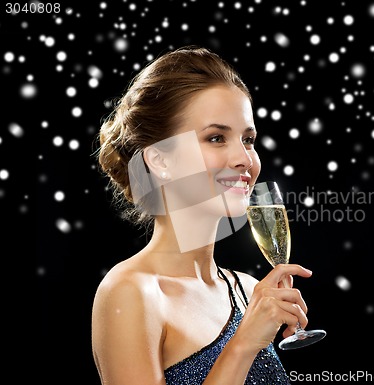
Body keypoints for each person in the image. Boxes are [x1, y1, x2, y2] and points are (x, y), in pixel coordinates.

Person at [91, 45, 313, 385]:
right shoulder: (131, 292)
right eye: (216, 137)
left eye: (248, 139)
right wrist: (243, 344)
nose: (245, 159)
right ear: (160, 160)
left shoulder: (247, 291)